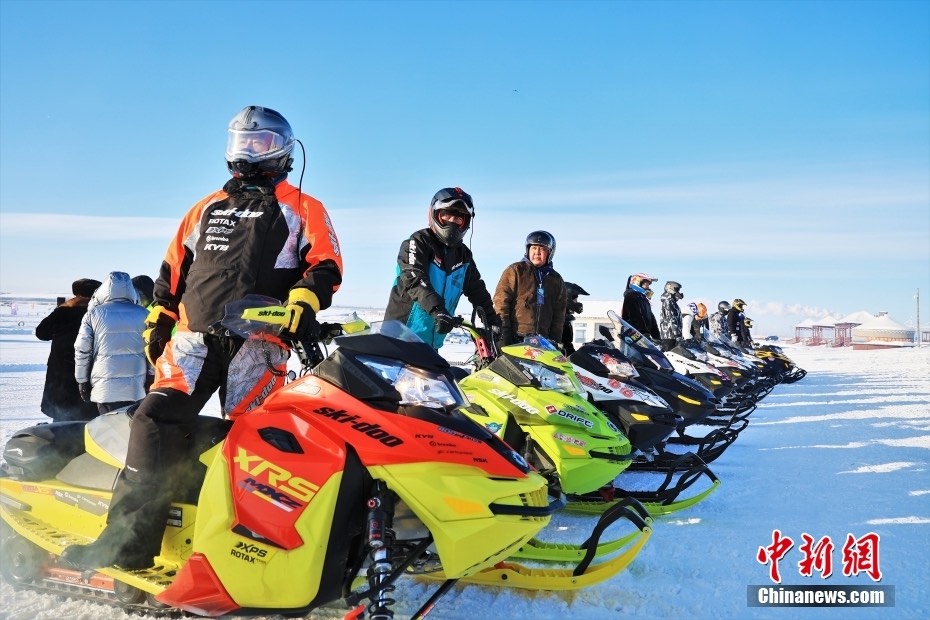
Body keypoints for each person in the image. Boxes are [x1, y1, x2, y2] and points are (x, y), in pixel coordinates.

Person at [62, 105, 343, 571]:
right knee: (152, 422)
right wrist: (159, 316)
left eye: (261, 142)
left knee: (253, 443)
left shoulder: (303, 207)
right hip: (194, 341)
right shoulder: (206, 206)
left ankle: (250, 552)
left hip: (259, 342)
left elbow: (325, 265)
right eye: (243, 141)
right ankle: (127, 546)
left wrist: (303, 301)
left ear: (282, 149)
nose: (250, 150)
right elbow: (172, 270)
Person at [384, 187, 500, 349]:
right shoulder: (417, 242)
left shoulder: (464, 256)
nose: (452, 221)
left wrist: (493, 321)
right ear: (434, 214)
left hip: (431, 346)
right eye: (447, 214)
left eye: (459, 218)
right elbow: (415, 279)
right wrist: (438, 310)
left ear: (466, 222)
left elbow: (477, 290)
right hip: (400, 338)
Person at [74, 272, 149, 414]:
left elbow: (82, 350)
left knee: (107, 430)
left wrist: (82, 380)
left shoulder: (93, 314)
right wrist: (150, 377)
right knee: (130, 428)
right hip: (136, 388)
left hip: (105, 388)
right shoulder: (144, 313)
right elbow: (151, 350)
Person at [35, 278, 101, 422]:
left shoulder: (64, 311)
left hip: (61, 374)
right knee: (89, 420)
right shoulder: (99, 314)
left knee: (61, 420)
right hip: (89, 372)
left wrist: (60, 309)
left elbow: (42, 333)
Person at [494, 231, 567, 346]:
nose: (537, 252)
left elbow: (559, 316)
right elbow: (501, 302)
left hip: (543, 341)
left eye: (542, 249)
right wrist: (504, 333)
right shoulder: (516, 270)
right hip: (516, 337)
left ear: (550, 252)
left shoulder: (556, 280)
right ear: (528, 250)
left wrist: (554, 341)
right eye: (534, 248)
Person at [621, 273, 660, 342]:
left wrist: (656, 336)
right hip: (633, 335)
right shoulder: (631, 296)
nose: (648, 287)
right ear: (638, 283)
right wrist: (642, 332)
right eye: (646, 284)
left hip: (643, 336)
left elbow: (651, 318)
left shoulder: (644, 299)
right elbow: (635, 316)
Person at [561, 281, 589, 353]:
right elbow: (565, 347)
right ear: (567, 299)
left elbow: (568, 347)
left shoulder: (566, 319)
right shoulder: (559, 321)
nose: (577, 302)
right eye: (575, 299)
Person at [658, 280, 684, 351]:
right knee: (670, 357)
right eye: (677, 289)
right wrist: (677, 335)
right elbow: (671, 319)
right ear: (670, 288)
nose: (678, 292)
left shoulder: (671, 301)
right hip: (670, 336)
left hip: (671, 335)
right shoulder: (669, 301)